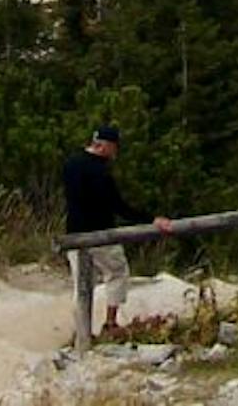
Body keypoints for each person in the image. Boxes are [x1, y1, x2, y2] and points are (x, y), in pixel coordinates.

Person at [63, 125, 172, 341]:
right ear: (105, 146)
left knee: (82, 283)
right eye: (114, 148)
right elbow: (118, 205)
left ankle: (82, 332)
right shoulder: (100, 171)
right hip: (101, 234)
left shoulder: (71, 164)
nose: (115, 153)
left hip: (74, 234)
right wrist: (151, 219)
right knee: (118, 272)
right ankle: (110, 323)